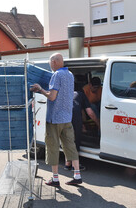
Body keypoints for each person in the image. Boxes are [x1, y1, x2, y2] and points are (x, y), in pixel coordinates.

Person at [31, 53, 82, 187]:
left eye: (49, 62)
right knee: (70, 145)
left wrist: (40, 89)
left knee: (52, 147)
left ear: (54, 62)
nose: (49, 64)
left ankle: (55, 178)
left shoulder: (56, 75)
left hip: (54, 118)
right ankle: (77, 175)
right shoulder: (70, 74)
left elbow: (52, 96)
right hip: (67, 117)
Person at [64, 90, 100, 171]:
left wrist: (82, 123)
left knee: (68, 140)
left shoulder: (66, 93)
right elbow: (90, 112)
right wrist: (98, 124)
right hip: (74, 118)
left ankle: (67, 164)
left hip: (64, 117)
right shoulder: (81, 95)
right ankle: (74, 166)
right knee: (75, 141)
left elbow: (81, 111)